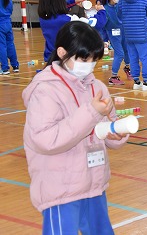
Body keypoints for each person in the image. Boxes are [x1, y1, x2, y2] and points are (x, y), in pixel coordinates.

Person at [22, 21, 129, 235]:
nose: (89, 65)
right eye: (83, 59)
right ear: (62, 53)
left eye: (93, 60)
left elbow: (105, 131)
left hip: (93, 185)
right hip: (61, 189)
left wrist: (116, 132)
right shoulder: (45, 90)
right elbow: (45, 140)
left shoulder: (96, 87)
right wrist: (91, 112)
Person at [38, 0, 106, 62]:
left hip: (50, 59)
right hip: (65, 62)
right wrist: (102, 11)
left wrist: (74, 1)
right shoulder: (68, 20)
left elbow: (56, 6)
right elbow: (97, 23)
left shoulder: (43, 17)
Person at [103, 0, 130, 85]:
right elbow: (103, 26)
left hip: (123, 31)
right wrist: (105, 40)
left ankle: (127, 68)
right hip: (113, 34)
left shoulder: (119, 5)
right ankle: (113, 77)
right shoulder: (105, 9)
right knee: (120, 53)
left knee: (127, 50)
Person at [0, 0, 19, 75]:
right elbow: (10, 11)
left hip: (0, 24)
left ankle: (4, 68)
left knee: (1, 46)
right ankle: (15, 66)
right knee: (10, 44)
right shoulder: (8, 0)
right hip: (8, 23)